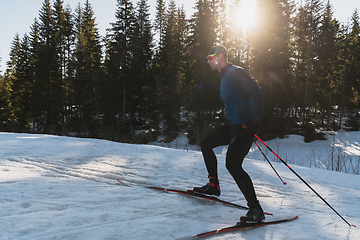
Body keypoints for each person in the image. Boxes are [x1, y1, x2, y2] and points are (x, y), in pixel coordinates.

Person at [193, 45, 265, 224]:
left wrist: (255, 121)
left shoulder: (235, 72)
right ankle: (213, 186)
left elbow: (258, 94)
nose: (208, 60)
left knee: (233, 164)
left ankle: (256, 209)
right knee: (206, 144)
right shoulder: (224, 75)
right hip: (234, 125)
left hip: (245, 126)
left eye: (211, 56)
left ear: (221, 56)